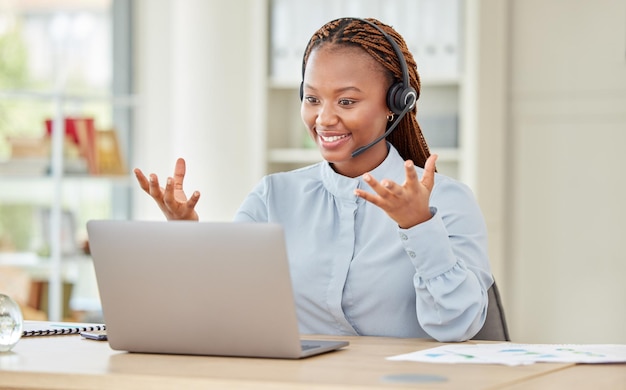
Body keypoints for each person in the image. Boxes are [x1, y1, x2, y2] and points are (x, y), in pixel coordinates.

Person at [134, 17, 493, 342]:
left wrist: (418, 226)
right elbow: (225, 307)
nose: (323, 119)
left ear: (395, 104)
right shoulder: (273, 197)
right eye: (312, 98)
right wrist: (185, 236)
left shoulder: (447, 202)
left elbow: (457, 325)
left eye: (347, 102)